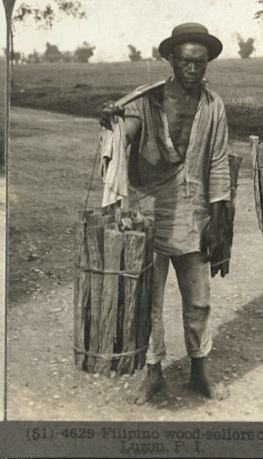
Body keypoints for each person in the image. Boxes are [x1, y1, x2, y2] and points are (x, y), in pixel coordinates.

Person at [100, 23, 232, 403]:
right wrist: (114, 123)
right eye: (186, 61)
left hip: (194, 215)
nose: (193, 69)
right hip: (151, 213)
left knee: (199, 300)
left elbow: (219, 160)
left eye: (200, 62)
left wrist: (218, 216)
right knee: (150, 301)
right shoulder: (148, 100)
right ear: (171, 59)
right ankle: (153, 374)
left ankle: (199, 373)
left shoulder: (214, 105)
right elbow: (127, 131)